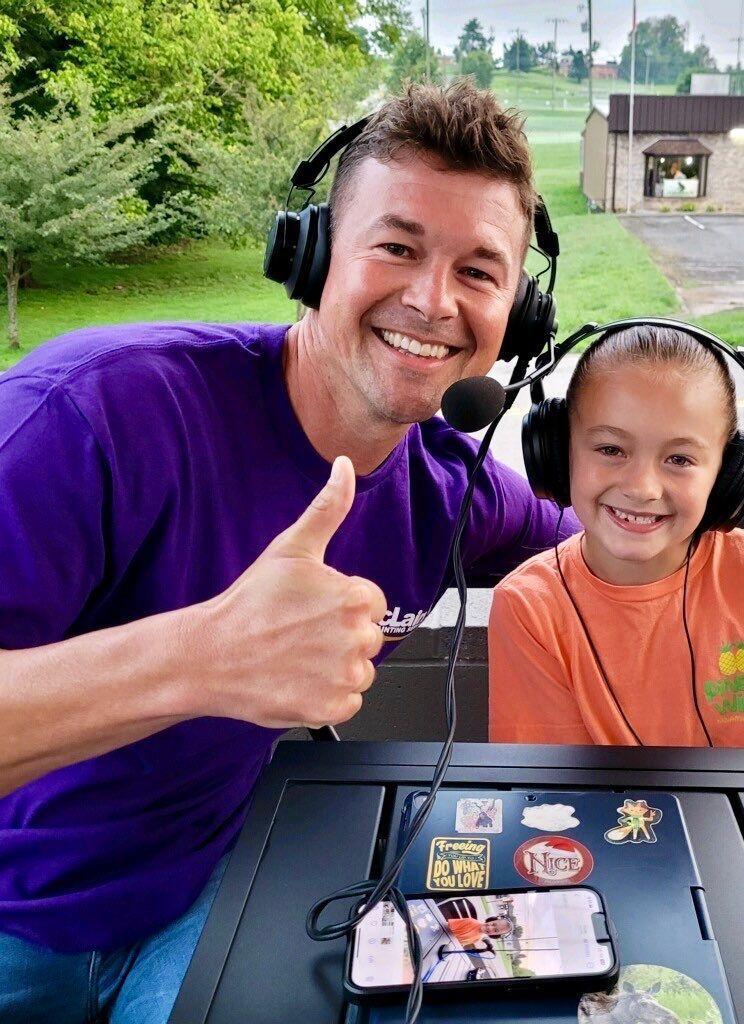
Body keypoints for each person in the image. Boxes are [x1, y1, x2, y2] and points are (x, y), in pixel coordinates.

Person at [0, 80, 576, 1023]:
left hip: (206, 898)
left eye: (480, 271)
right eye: (396, 247)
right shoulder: (89, 419)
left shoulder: (449, 487)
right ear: (311, 257)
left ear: (521, 313)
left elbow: (608, 548)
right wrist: (201, 660)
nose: (434, 301)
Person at [488, 323, 744, 750]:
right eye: (610, 450)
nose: (642, 487)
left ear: (728, 474)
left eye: (679, 459)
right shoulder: (529, 606)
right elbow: (553, 796)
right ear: (558, 449)